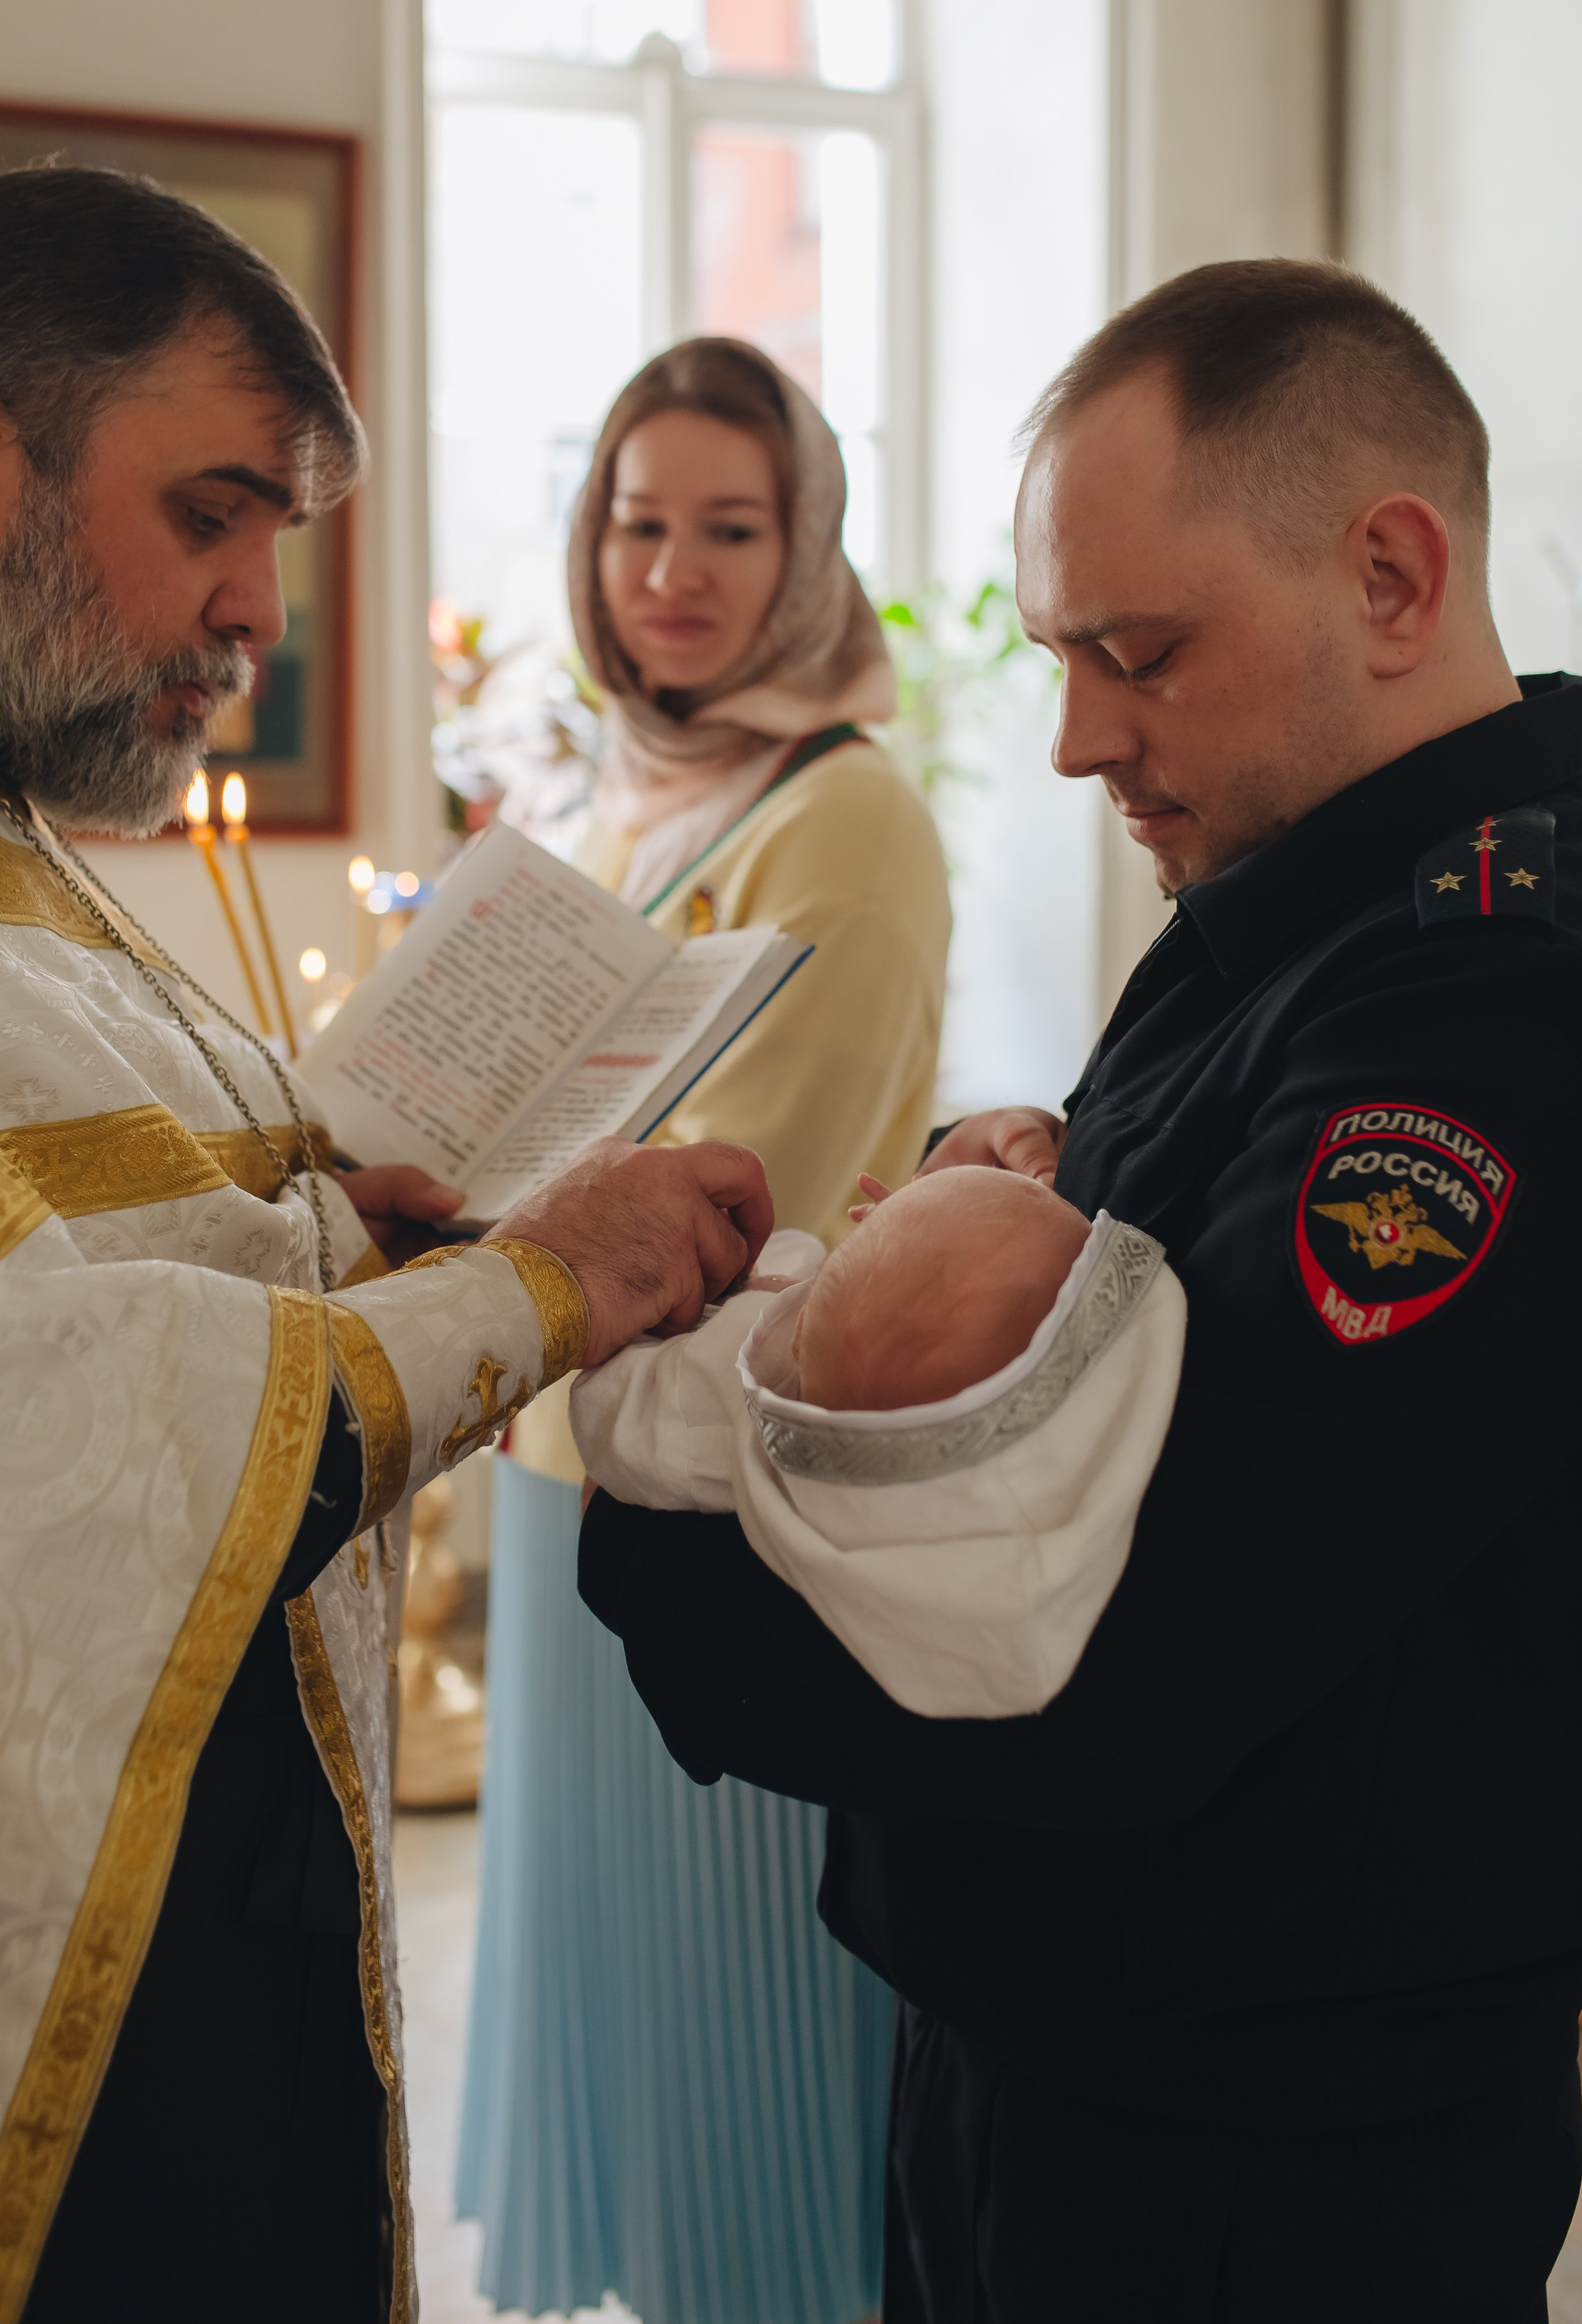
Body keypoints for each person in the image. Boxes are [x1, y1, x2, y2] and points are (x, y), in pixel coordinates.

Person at [0, 163, 772, 2324]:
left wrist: (324, 1220)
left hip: (191, 1922)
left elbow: (63, 1253)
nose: (256, 611)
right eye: (208, 514)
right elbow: (26, 1438)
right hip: (62, 2039)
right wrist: (545, 1276)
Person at [581, 259, 1582, 2323]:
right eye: (1060, 654)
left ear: (1395, 574)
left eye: (1138, 652)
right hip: (1080, 2053)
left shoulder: (1486, 996)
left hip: (1266, 2148)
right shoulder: (1295, 898)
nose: (1073, 738)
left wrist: (664, 1537)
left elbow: (1136, 1625)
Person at [458, 339, 951, 2324]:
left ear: (806, 548)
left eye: (731, 528)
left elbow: (766, 1194)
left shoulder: (849, 816)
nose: (675, 568)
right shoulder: (623, 801)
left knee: (736, 2048)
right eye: (640, 522)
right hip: (558, 1475)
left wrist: (508, 1217)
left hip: (712, 1504)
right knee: (621, 2011)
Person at [572, 1167, 1183, 1720]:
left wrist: (745, 1298)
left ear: (801, 1330)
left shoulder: (726, 1393)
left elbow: (607, 1410)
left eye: (853, 1247)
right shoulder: (1071, 1440)